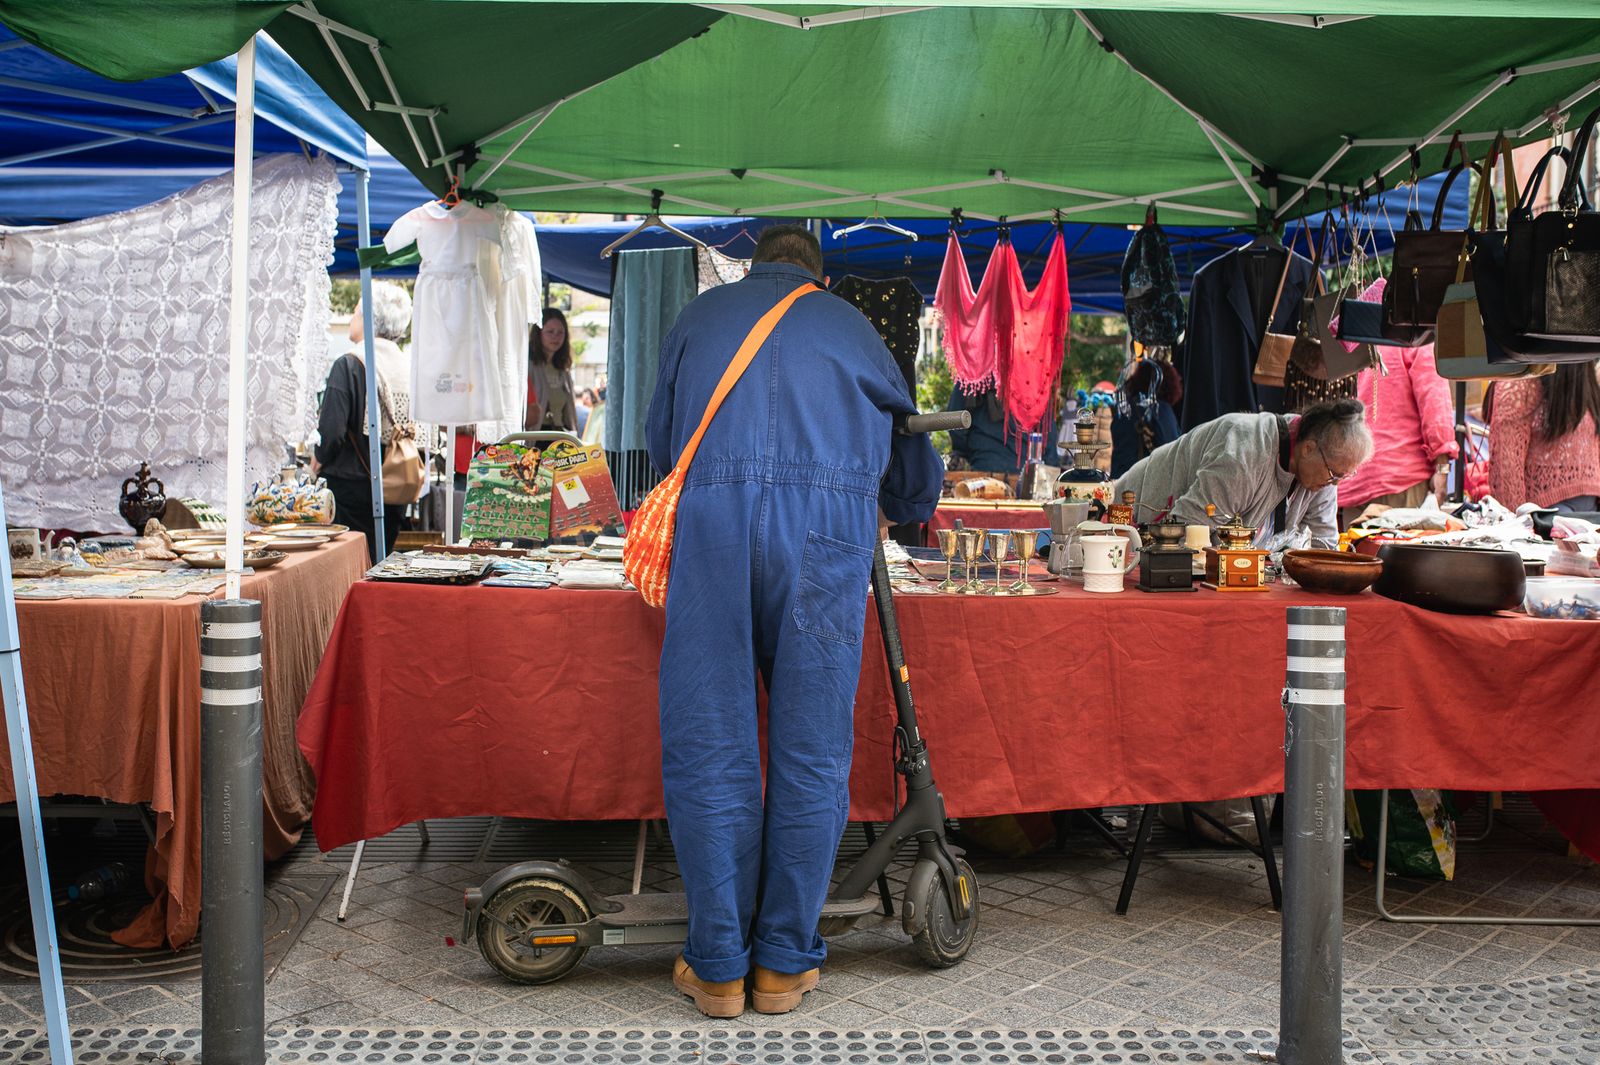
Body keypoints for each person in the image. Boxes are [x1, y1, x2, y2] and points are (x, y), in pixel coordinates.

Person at [645, 225, 941, 1018]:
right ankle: (782, 964)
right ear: (819, 273)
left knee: (711, 741)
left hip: (711, 527)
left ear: (754, 264)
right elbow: (915, 468)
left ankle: (716, 969)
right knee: (813, 747)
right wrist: (902, 506)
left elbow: (656, 440)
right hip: (825, 535)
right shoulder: (854, 328)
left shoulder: (701, 318)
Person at [1113, 397, 1374, 548]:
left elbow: (1321, 548)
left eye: (1343, 477)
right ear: (1308, 448)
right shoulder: (1245, 451)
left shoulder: (1322, 475)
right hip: (1131, 524)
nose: (1334, 484)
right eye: (1333, 474)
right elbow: (1188, 529)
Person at [312, 281, 416, 562]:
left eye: (357, 311)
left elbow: (330, 432)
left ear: (370, 319)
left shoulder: (349, 364)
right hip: (395, 486)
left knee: (346, 569)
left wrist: (317, 459)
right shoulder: (407, 366)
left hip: (348, 487)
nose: (352, 318)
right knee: (379, 563)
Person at [1336, 344, 1458, 527]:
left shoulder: (1355, 335)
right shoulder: (1417, 335)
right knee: (1402, 554)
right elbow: (1435, 403)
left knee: (1356, 552)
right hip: (1401, 479)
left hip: (1353, 480)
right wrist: (1442, 468)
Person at [1488, 363, 1600, 512]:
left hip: (1545, 508)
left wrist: (1513, 523)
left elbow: (1506, 465)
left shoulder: (1518, 384)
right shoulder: (1586, 375)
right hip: (1591, 504)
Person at [944, 386, 1058, 477]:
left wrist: (965, 453)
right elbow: (1049, 440)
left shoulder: (973, 373)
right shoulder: (1034, 377)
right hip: (1024, 475)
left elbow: (955, 425)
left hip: (983, 468)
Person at [527, 307, 578, 433]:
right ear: (538, 334)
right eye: (550, 332)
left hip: (560, 436)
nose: (556, 337)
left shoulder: (563, 370)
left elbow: (570, 413)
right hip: (534, 437)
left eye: (560, 332)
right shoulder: (528, 366)